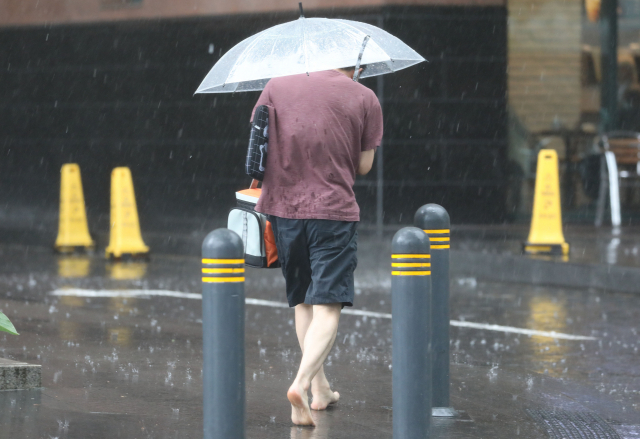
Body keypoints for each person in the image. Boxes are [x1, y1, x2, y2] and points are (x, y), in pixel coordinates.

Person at [251, 66, 383, 426]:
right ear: (352, 61)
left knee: (303, 299)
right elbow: (364, 165)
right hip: (332, 212)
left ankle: (320, 389)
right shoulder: (364, 97)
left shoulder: (275, 86)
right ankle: (301, 382)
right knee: (328, 304)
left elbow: (260, 144)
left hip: (283, 210)